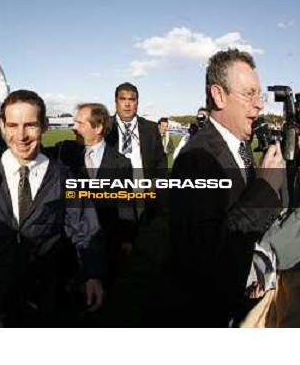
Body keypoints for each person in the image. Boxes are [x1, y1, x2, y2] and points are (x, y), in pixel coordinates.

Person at [166, 49, 284, 327]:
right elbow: (208, 255)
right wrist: (265, 188)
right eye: (249, 94)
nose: (259, 106)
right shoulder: (196, 160)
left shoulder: (239, 147)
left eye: (260, 96)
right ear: (219, 96)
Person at [0, 90, 105, 327]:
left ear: (45, 126)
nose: (21, 135)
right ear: (1, 126)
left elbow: (85, 227)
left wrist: (92, 273)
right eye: (12, 125)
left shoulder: (65, 177)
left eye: (30, 125)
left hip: (43, 298)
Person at [46, 103, 136, 289]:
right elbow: (35, 153)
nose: (73, 127)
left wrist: (127, 238)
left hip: (105, 237)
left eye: (79, 123)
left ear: (98, 127)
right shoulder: (64, 151)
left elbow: (125, 203)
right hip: (70, 237)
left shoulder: (121, 163)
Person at [105, 82, 166, 223]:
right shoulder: (105, 127)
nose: (127, 104)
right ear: (116, 102)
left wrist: (156, 181)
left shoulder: (150, 128)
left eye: (131, 100)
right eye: (123, 99)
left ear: (137, 102)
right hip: (113, 195)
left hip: (142, 192)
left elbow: (161, 160)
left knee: (144, 233)